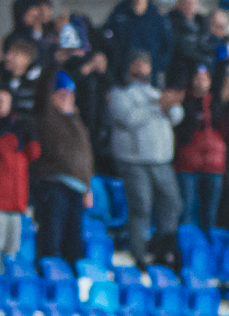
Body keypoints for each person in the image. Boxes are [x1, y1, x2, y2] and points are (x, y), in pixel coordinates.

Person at [106, 52, 184, 269]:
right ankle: (139, 254)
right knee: (141, 207)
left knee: (172, 203)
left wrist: (169, 104)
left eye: (145, 64)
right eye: (137, 64)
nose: (142, 69)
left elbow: (177, 116)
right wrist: (157, 106)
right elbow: (127, 119)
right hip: (134, 160)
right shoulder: (120, 94)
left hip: (162, 160)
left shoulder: (156, 92)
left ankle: (163, 249)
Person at [33, 74, 92, 266]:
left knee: (73, 244)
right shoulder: (48, 118)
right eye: (62, 95)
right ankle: (48, 276)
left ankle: (69, 279)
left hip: (77, 189)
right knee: (51, 240)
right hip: (55, 185)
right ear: (52, 97)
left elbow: (86, 157)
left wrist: (87, 187)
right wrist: (54, 64)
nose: (68, 99)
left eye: (70, 95)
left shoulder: (77, 121)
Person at [173, 66, 229, 231]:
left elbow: (228, 132)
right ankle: (186, 243)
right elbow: (181, 131)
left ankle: (207, 245)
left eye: (205, 78)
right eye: (197, 78)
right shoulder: (184, 102)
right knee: (186, 210)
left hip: (214, 165)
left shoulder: (217, 104)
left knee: (210, 214)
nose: (201, 82)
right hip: (188, 164)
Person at [0, 89, 38, 258]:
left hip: (17, 202)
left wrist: (32, 135)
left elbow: (34, 154)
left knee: (12, 252)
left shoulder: (21, 129)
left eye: (4, 101)